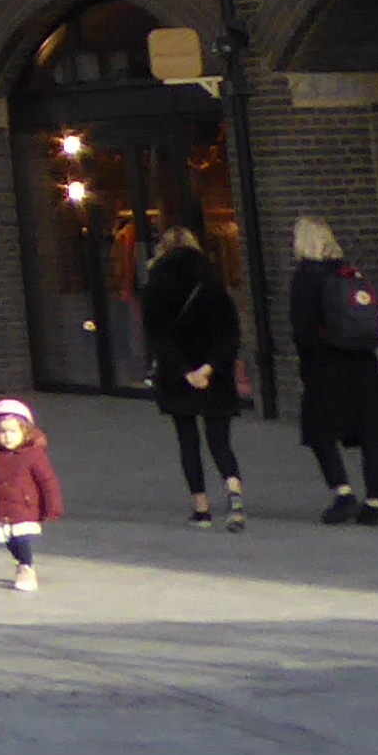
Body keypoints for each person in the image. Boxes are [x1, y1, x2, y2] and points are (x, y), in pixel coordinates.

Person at [286, 215, 378, 522]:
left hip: (326, 365)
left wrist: (306, 368)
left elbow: (303, 331)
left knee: (319, 432)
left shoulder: (305, 279)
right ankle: (374, 502)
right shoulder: (350, 272)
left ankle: (343, 493)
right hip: (363, 363)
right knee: (369, 433)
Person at [140, 224, 249, 530]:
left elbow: (157, 336)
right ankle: (234, 494)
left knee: (188, 441)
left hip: (179, 376)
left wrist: (184, 371)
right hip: (215, 373)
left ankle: (201, 510)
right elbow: (229, 332)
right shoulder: (212, 280)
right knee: (220, 440)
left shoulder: (155, 284)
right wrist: (210, 366)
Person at [0, 394, 64, 591]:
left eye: (12, 431)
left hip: (25, 507)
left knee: (22, 538)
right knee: (8, 540)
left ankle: (27, 568)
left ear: (25, 431)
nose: (7, 436)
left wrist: (53, 507)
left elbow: (47, 482)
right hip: (0, 507)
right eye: (2, 432)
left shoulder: (33, 454)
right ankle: (21, 563)